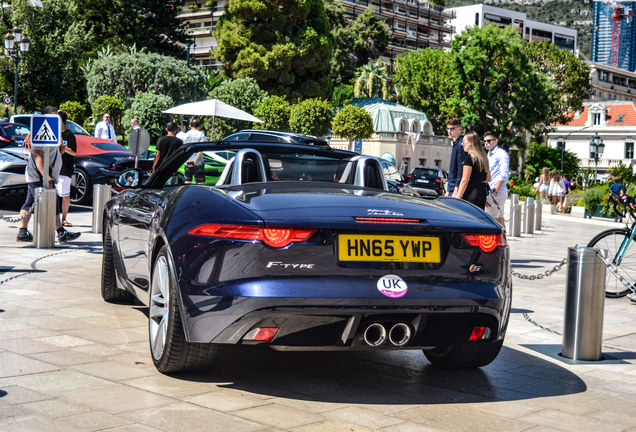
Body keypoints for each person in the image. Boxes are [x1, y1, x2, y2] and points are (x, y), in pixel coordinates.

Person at [16, 106, 81, 243]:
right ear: (45, 118)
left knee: (29, 203)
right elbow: (37, 155)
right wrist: (46, 175)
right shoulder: (40, 131)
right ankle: (61, 233)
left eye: (58, 116)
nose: (57, 119)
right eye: (54, 116)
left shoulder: (54, 132)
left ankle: (22, 232)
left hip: (40, 174)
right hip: (39, 175)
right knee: (51, 202)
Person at [453, 132, 491, 210]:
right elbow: (488, 179)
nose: (462, 144)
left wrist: (457, 198)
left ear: (470, 142)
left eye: (464, 141)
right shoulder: (484, 158)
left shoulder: (469, 158)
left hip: (470, 193)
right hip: (481, 192)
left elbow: (464, 180)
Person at [483, 131, 509, 226]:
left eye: (489, 141)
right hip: (492, 191)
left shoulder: (501, 154)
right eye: (485, 141)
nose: (486, 143)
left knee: (491, 219)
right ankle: (503, 240)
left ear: (496, 141)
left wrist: (495, 190)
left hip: (496, 191)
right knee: (499, 218)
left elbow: (504, 174)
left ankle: (496, 240)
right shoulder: (488, 154)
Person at [57, 110, 77, 227]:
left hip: (65, 168)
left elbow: (74, 152)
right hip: (53, 168)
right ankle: (52, 217)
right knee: (52, 194)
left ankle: (64, 218)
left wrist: (64, 149)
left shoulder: (69, 135)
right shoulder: (53, 134)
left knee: (65, 195)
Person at [446, 117, 466, 196]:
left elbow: (461, 168)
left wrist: (456, 188)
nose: (449, 131)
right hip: (452, 187)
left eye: (452, 129)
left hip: (456, 188)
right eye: (448, 129)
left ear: (459, 129)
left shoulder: (461, 144)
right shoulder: (455, 144)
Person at [183, 119, 207, 184]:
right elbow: (201, 149)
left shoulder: (186, 135)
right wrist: (195, 160)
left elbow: (184, 149)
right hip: (198, 162)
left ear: (190, 126)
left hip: (187, 162)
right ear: (199, 126)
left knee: (187, 183)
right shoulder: (201, 135)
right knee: (200, 183)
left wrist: (187, 160)